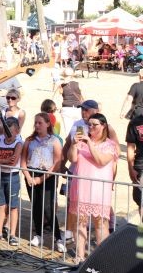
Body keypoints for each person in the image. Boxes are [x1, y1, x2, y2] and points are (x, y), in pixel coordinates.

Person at [66, 113, 118, 262]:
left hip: (99, 189)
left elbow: (101, 160)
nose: (91, 127)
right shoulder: (81, 143)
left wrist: (89, 143)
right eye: (89, 124)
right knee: (80, 222)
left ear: (103, 126)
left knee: (100, 224)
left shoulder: (110, 145)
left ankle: (101, 258)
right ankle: (80, 255)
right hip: (81, 186)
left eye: (95, 125)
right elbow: (72, 158)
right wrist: (73, 144)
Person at [20, 113, 64, 249]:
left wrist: (41, 179)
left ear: (48, 124)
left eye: (40, 123)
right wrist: (28, 176)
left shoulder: (54, 141)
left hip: (47, 176)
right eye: (36, 123)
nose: (37, 125)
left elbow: (57, 162)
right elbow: (23, 160)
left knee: (48, 208)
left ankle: (58, 237)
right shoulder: (29, 140)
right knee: (36, 206)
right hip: (31, 173)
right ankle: (38, 234)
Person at [0, 117, 23, 246]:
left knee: (13, 206)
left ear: (16, 131)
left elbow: (13, 162)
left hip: (12, 176)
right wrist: (4, 161)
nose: (7, 134)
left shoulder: (18, 143)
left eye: (10, 131)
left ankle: (12, 234)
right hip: (0, 175)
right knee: (0, 204)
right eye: (5, 131)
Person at [125, 111, 143, 216]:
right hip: (141, 167)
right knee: (141, 200)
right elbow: (130, 148)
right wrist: (131, 168)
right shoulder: (135, 122)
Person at [58, 67, 82, 136]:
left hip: (66, 108)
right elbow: (83, 97)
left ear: (63, 75)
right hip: (78, 108)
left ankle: (70, 142)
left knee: (68, 131)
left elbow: (58, 97)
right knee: (80, 130)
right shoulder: (78, 84)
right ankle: (80, 141)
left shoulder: (61, 85)